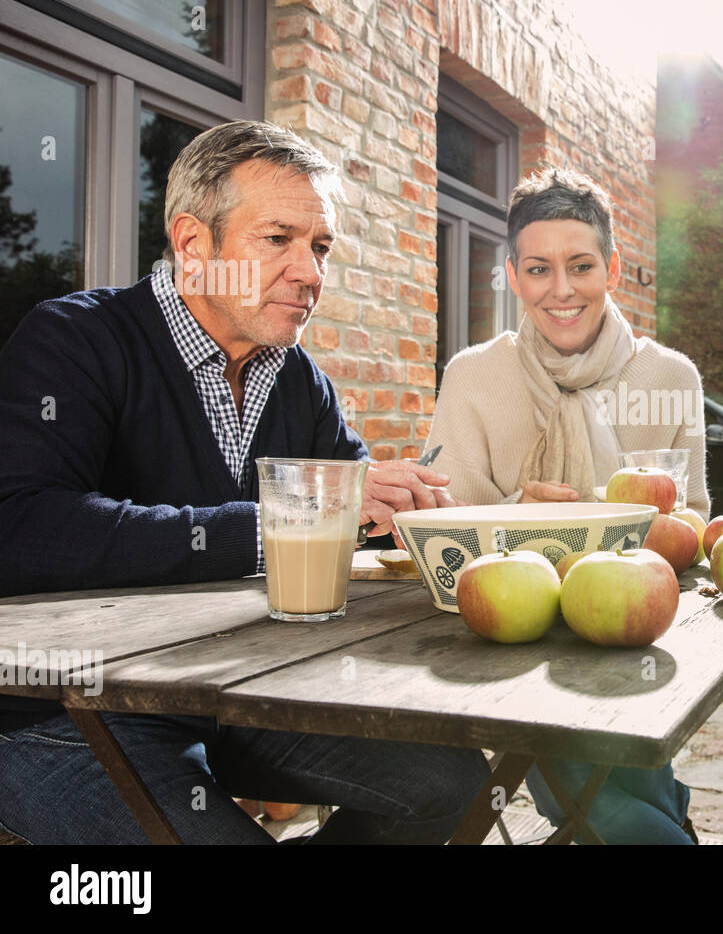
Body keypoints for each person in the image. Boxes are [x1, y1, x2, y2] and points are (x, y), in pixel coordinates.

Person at [0, 120, 488, 843]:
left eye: (319, 247)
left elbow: (356, 516)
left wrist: (420, 518)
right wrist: (280, 525)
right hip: (62, 709)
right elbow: (23, 529)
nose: (310, 271)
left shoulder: (298, 380)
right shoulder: (75, 339)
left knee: (451, 783)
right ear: (195, 246)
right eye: (279, 239)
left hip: (233, 693)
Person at [425, 167, 709, 844]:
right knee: (613, 782)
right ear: (514, 277)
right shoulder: (471, 376)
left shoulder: (670, 377)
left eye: (580, 266)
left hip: (626, 635)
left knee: (619, 776)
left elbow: (694, 520)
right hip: (505, 642)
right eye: (538, 269)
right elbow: (442, 525)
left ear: (610, 267)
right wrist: (519, 513)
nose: (560, 290)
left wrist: (636, 527)